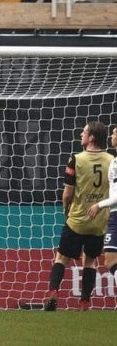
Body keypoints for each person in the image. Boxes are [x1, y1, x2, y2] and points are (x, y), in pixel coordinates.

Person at [44, 121, 114, 310]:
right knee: (90, 261)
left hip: (77, 219)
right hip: (99, 222)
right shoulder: (111, 160)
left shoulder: (76, 159)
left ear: (91, 137)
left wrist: (65, 208)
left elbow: (68, 193)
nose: (80, 135)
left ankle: (53, 293)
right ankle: (84, 302)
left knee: (61, 258)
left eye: (83, 132)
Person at [86, 127, 117, 298]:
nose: (112, 136)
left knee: (111, 260)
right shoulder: (114, 161)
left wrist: (99, 205)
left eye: (115, 133)